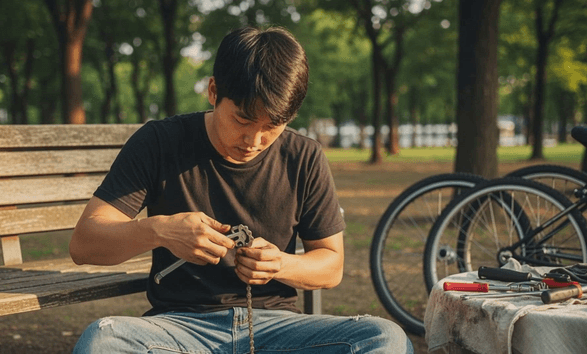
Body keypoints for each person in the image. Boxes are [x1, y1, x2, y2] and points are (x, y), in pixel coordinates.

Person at [71, 26, 413, 354]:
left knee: (385, 339)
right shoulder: (159, 142)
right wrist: (159, 230)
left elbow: (331, 265)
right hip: (179, 330)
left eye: (272, 127)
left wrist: (279, 264)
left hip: (279, 330)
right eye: (243, 120)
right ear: (213, 91)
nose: (254, 141)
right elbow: (85, 244)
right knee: (104, 341)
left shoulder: (304, 157)